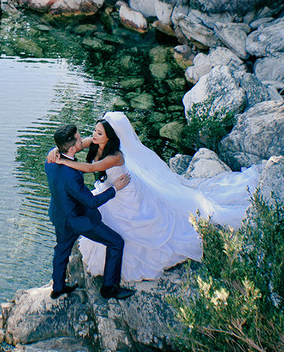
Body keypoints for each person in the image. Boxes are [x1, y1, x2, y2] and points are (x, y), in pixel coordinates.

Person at [47, 111, 261, 281]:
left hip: (125, 191)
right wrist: (56, 150)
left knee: (136, 228)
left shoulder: (115, 155)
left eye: (98, 133)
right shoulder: (97, 141)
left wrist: (64, 161)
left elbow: (90, 167)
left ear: (110, 137)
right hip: (112, 189)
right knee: (106, 223)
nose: (92, 136)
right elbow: (75, 145)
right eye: (94, 131)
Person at [45, 122, 135, 300]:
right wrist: (114, 189)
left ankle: (58, 288)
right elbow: (91, 202)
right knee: (116, 242)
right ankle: (109, 288)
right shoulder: (71, 175)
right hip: (78, 219)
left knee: (61, 249)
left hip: (59, 215)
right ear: (71, 149)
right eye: (79, 140)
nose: (82, 140)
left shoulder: (50, 160)